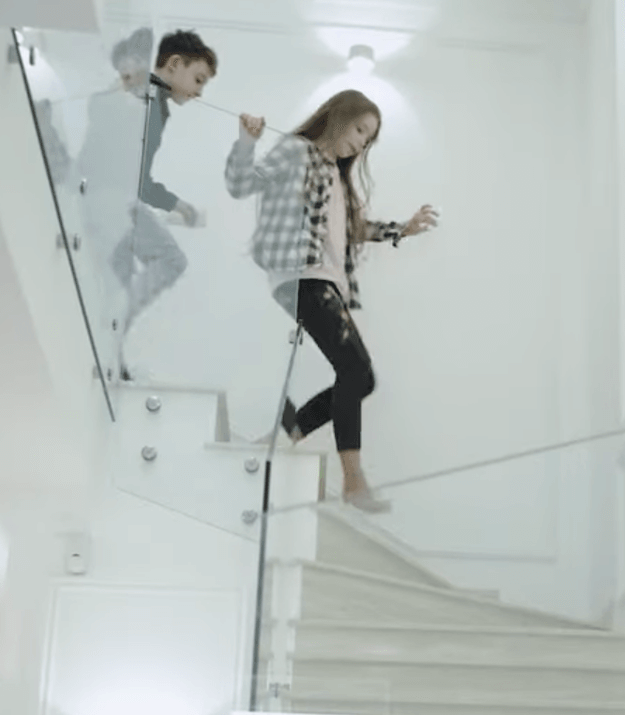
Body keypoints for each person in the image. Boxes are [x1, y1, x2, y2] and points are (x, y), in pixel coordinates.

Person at [225, 90, 438, 513]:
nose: (362, 143)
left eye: (368, 139)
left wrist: (403, 230)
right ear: (338, 117)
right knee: (355, 369)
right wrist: (246, 142)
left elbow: (355, 228)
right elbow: (242, 184)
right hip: (301, 276)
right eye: (360, 130)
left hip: (323, 281)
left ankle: (285, 430)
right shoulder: (297, 151)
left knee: (362, 379)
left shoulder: (337, 177)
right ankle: (353, 481)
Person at [107, 29, 216, 382]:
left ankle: (112, 354)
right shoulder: (151, 101)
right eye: (198, 79)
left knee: (120, 286)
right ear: (173, 64)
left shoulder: (149, 99)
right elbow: (139, 178)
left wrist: (175, 205)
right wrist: (179, 206)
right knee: (171, 259)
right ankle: (110, 331)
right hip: (117, 203)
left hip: (113, 201)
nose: (199, 92)